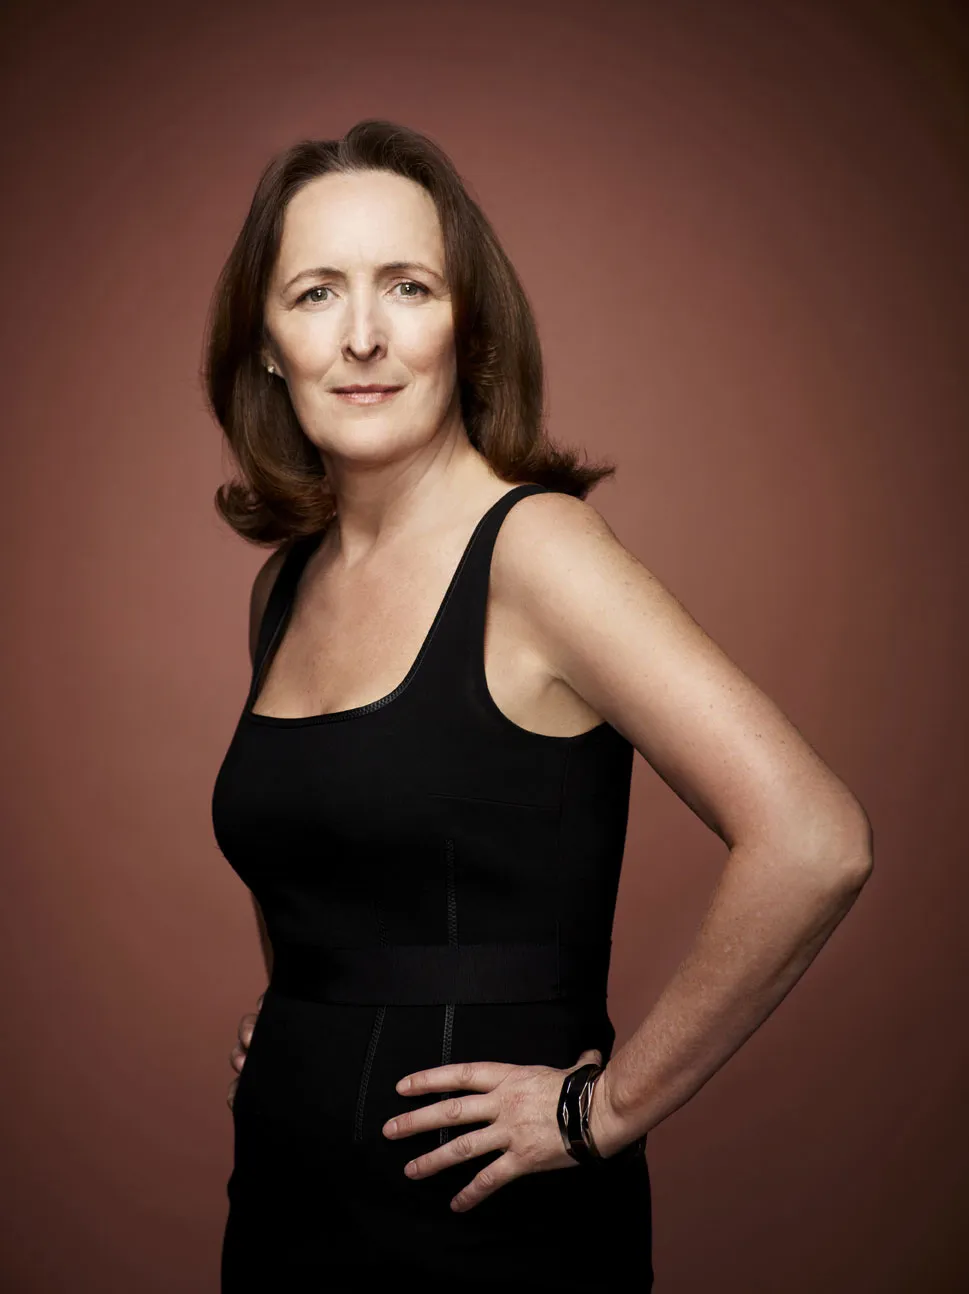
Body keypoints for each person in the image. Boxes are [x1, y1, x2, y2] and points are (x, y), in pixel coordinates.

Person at [206, 119, 873, 1290]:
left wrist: (600, 1111)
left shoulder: (538, 552)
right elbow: (329, 855)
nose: (362, 335)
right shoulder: (288, 585)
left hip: (491, 1230)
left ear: (468, 324)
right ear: (267, 345)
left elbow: (814, 840)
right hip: (283, 1204)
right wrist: (309, 1013)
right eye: (315, 293)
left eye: (407, 286)